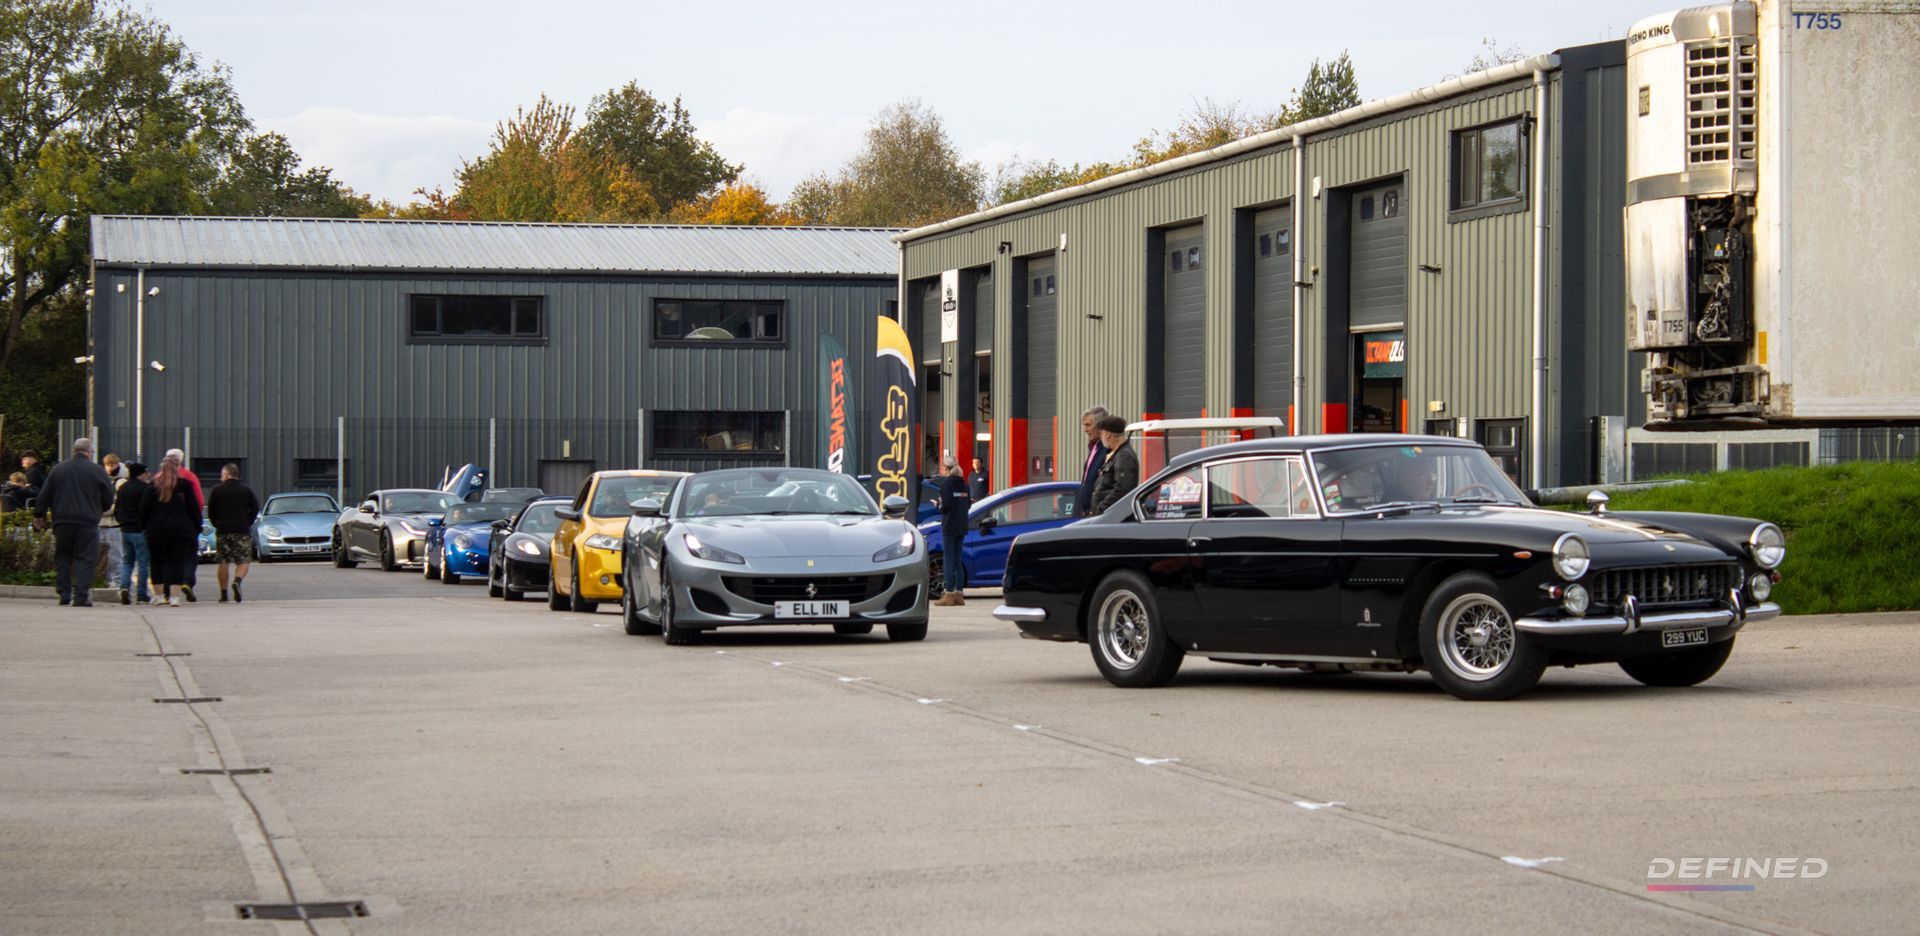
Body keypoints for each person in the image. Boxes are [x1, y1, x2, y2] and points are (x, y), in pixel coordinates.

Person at [31, 438, 115, 607]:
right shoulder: (97, 471)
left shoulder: (58, 469)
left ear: (74, 450)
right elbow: (108, 496)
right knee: (85, 558)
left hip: (62, 521)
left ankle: (64, 593)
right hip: (87, 521)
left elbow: (45, 495)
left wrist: (39, 515)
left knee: (62, 556)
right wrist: (98, 509)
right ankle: (81, 596)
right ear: (89, 452)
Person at [140, 458, 202, 607]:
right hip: (181, 531)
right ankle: (175, 597)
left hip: (156, 531)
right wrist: (196, 528)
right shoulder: (186, 486)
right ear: (177, 469)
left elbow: (144, 510)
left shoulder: (152, 486)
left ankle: (160, 596)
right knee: (177, 563)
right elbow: (194, 509)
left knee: (157, 563)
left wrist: (144, 526)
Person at [205, 463, 261, 603]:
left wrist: (217, 524)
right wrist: (247, 522)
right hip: (241, 530)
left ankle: (223, 594)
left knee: (223, 562)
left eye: (221, 475)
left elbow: (211, 511)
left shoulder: (217, 490)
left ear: (226, 474)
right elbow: (255, 508)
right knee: (243, 560)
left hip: (223, 530)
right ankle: (237, 580)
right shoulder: (245, 490)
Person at [931, 455, 972, 607]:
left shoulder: (947, 484)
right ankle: (959, 594)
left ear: (947, 469)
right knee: (957, 559)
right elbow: (967, 505)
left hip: (949, 525)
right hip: (962, 525)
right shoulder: (965, 485)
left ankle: (948, 594)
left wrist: (938, 505)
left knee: (948, 560)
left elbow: (946, 505)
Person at [164, 448, 203, 602]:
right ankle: (187, 582)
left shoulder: (159, 477)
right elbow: (198, 501)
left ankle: (166, 591)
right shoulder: (189, 478)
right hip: (187, 524)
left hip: (164, 525)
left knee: (167, 558)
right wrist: (196, 523)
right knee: (190, 555)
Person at [114, 463, 153, 605]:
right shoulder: (146, 489)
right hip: (140, 530)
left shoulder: (123, 488)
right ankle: (142, 593)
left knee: (127, 561)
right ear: (140, 474)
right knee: (143, 563)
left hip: (125, 529)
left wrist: (122, 521)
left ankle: (124, 587)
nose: (148, 475)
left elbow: (117, 509)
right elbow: (149, 509)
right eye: (146, 472)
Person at [1086, 416, 1140, 516]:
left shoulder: (1124, 456)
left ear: (1107, 434)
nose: (1101, 438)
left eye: (1101, 433)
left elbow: (1123, 490)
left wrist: (1101, 509)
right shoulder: (1116, 454)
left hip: (1112, 518)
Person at [1073, 406, 1111, 517]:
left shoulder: (1107, 450)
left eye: (1088, 425)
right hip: (1090, 512)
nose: (1085, 430)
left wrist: (1099, 508)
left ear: (1100, 425)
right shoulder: (1094, 448)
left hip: (1100, 513)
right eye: (1084, 425)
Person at [99, 454, 126, 589]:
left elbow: (115, 505)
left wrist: (99, 510)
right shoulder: (105, 481)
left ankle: (118, 582)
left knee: (115, 556)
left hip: (113, 524)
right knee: (103, 557)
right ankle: (108, 581)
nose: (110, 468)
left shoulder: (121, 482)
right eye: (107, 465)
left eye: (112, 465)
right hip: (102, 524)